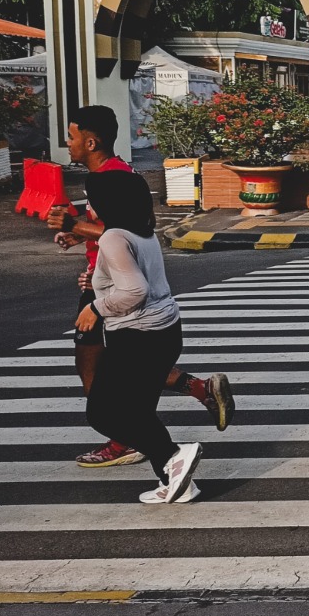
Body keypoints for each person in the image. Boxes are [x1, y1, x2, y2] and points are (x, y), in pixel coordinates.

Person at [47, 106, 234, 467]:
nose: (66, 144)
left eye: (71, 137)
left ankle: (127, 438)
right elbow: (121, 232)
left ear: (90, 140)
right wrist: (77, 235)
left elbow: (128, 232)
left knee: (99, 369)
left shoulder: (109, 179)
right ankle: (190, 396)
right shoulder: (116, 175)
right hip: (111, 282)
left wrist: (76, 224)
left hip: (117, 290)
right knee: (123, 365)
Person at [79, 170, 201, 503]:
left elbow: (134, 290)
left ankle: (175, 455)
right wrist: (98, 283)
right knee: (139, 411)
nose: (88, 206)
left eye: (91, 200)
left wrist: (96, 307)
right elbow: (134, 279)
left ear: (107, 203)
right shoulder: (139, 233)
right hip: (164, 333)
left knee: (104, 412)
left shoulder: (113, 237)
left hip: (138, 336)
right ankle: (178, 481)